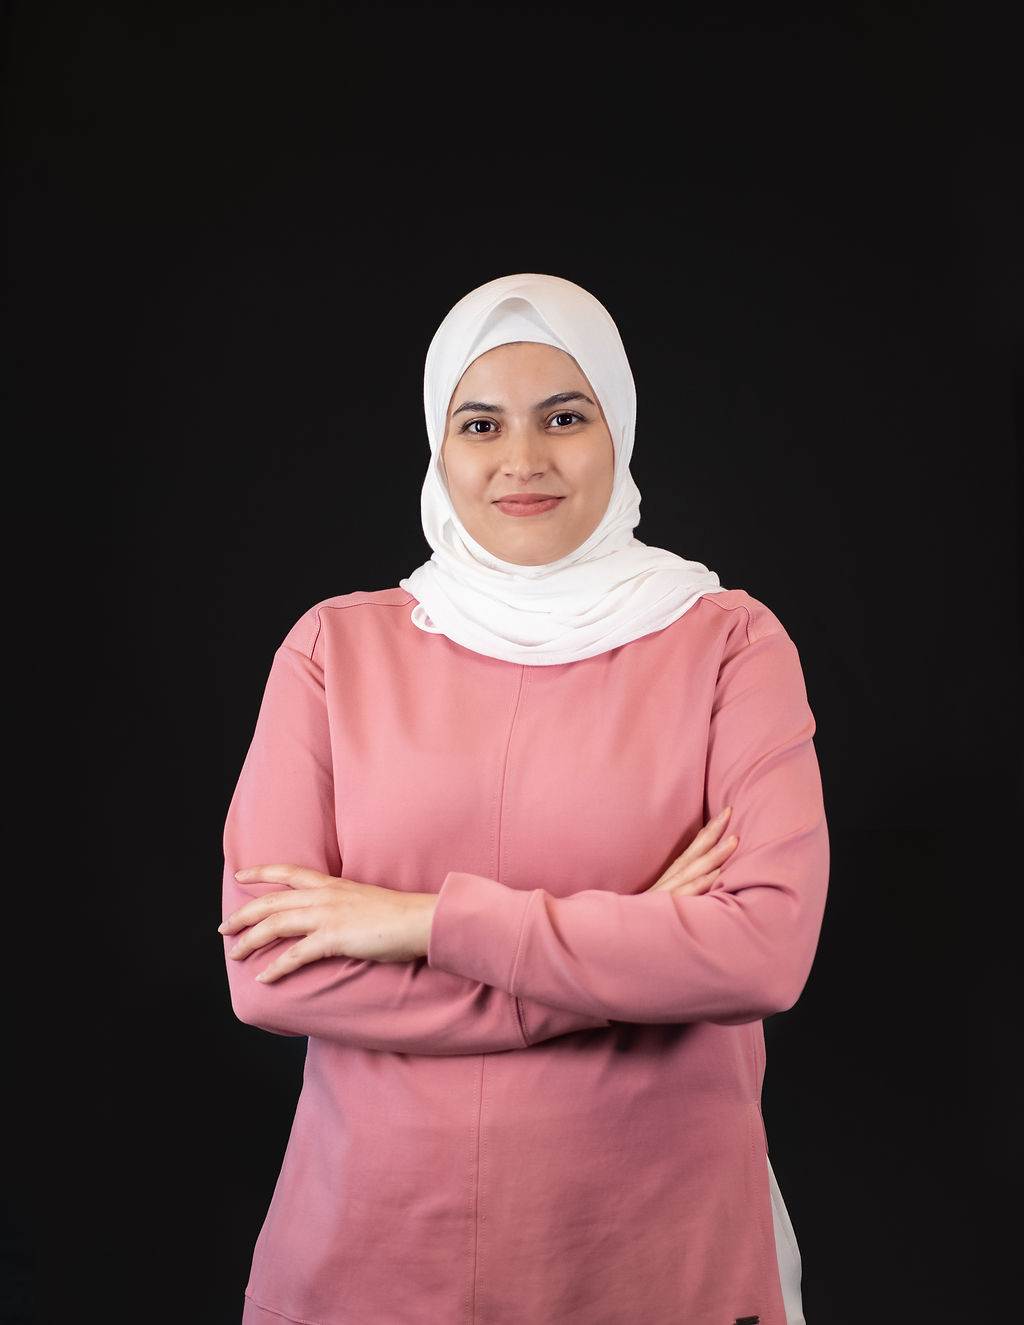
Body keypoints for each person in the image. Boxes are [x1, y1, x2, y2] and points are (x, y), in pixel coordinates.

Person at [219, 273, 829, 1325]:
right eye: (480, 424)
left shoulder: (730, 641)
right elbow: (269, 973)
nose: (522, 459)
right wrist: (636, 950)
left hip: (655, 1254)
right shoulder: (332, 650)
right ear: (438, 444)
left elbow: (762, 951)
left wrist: (423, 923)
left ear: (617, 426)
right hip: (374, 1252)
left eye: (564, 416)